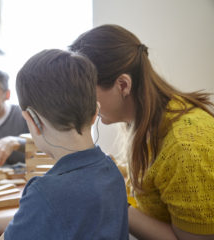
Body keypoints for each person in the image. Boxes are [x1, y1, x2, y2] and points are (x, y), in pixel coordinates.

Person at [0, 49, 129, 240]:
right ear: (95, 113)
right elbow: (33, 220)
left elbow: (40, 211)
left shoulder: (45, 192)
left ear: (32, 121)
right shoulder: (112, 172)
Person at [70, 24, 214, 240]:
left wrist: (113, 202)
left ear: (123, 85)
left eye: (87, 94)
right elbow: (152, 180)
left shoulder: (185, 147)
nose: (83, 105)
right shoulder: (142, 117)